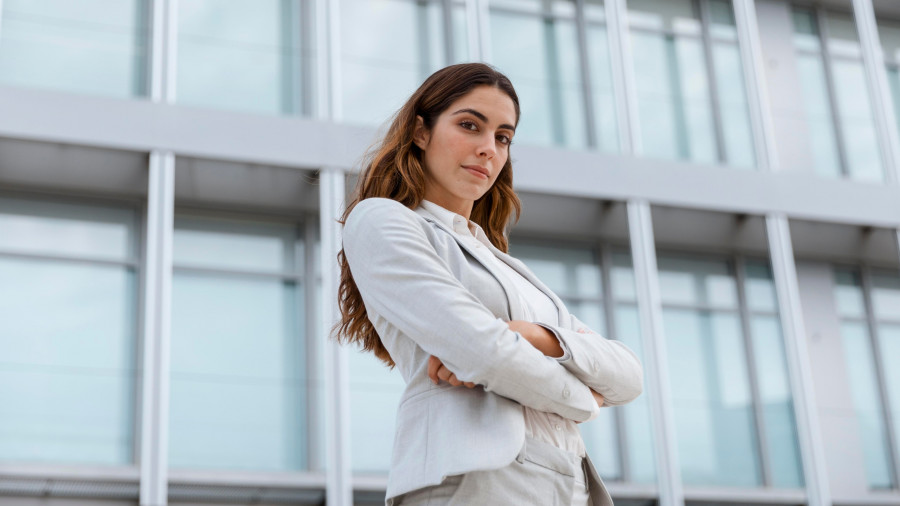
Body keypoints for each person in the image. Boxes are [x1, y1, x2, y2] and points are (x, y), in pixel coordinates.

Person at [335, 62, 643, 506]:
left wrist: (533, 335)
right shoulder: (384, 221)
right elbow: (484, 351)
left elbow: (629, 375)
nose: (488, 149)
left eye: (503, 137)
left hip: (570, 482)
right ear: (420, 132)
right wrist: (585, 399)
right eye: (469, 125)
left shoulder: (502, 262)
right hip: (480, 478)